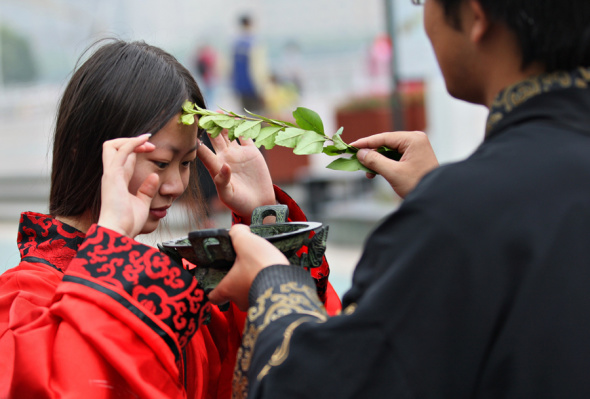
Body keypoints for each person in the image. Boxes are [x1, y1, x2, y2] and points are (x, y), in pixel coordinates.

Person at [208, 0, 590, 397]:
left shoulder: (453, 215)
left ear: (476, 17)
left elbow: (326, 384)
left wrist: (274, 284)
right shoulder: (467, 205)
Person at [0, 39, 340, 398]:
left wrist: (265, 219)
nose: (177, 184)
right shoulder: (23, 299)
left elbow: (298, 360)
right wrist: (111, 247)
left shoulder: (178, 286)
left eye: (187, 163)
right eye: (161, 163)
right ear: (88, 150)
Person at [231, 14, 269, 114]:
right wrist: (263, 87)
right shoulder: (254, 42)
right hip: (253, 86)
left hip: (240, 86)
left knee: (244, 116)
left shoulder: (235, 44)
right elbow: (258, 68)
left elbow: (230, 68)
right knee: (258, 116)